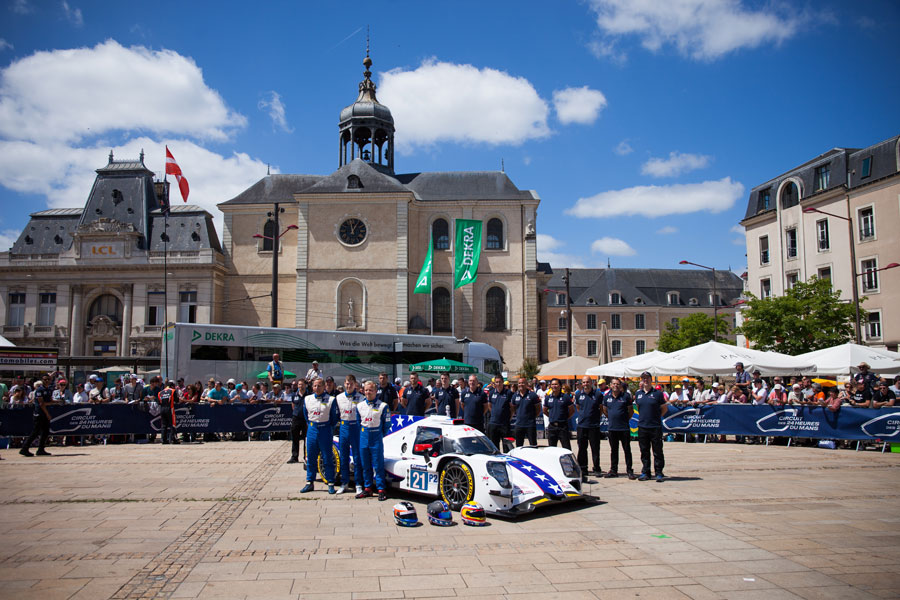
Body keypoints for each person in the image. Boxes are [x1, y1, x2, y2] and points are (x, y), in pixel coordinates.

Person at [300, 377, 338, 494]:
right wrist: (312, 425)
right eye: (315, 386)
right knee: (310, 457)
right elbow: (306, 415)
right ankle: (309, 482)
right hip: (312, 429)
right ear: (312, 387)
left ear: (324, 386)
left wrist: (327, 427)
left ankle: (330, 483)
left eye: (319, 386)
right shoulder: (307, 399)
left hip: (325, 430)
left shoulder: (331, 399)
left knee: (327, 457)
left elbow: (334, 418)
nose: (317, 388)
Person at [356, 380, 391, 501]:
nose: (368, 392)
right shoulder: (359, 406)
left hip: (376, 436)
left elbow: (386, 425)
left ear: (376, 391)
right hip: (364, 436)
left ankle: (381, 489)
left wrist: (379, 434)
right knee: (365, 464)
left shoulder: (383, 406)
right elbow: (357, 422)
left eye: (371, 390)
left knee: (378, 464)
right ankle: (367, 488)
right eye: (366, 390)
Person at [635, 371, 667, 482]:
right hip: (643, 426)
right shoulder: (638, 394)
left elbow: (664, 408)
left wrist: (657, 417)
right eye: (643, 378)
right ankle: (646, 472)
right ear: (641, 380)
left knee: (657, 450)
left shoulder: (657, 394)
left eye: (647, 378)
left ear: (651, 379)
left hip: (655, 426)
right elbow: (639, 407)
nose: (645, 380)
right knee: (644, 451)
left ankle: (659, 472)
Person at [336, 374, 364, 495]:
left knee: (357, 457)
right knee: (343, 456)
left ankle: (358, 483)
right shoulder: (338, 397)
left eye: (351, 383)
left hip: (356, 427)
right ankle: (344, 483)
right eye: (347, 383)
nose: (349, 385)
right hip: (344, 426)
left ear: (355, 385)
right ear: (344, 384)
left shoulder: (361, 398)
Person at [603, 377, 635, 479]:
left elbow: (631, 411)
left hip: (624, 428)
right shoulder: (607, 397)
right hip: (612, 428)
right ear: (610, 385)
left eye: (617, 384)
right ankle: (613, 470)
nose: (615, 386)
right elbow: (605, 410)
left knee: (627, 450)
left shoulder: (625, 396)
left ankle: (629, 470)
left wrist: (624, 420)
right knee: (614, 450)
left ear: (620, 386)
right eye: (614, 384)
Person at [574, 376, 603, 479]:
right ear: (582, 383)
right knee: (582, 448)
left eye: (588, 382)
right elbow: (578, 407)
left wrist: (594, 418)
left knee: (595, 448)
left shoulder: (598, 394)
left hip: (594, 425)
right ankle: (583, 468)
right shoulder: (578, 395)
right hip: (582, 425)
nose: (586, 384)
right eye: (584, 382)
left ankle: (596, 468)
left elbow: (601, 409)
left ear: (592, 383)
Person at [20, 380, 55, 456]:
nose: (46, 381)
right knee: (36, 432)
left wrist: (58, 401)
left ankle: (41, 449)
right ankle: (24, 448)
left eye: (47, 379)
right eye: (45, 379)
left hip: (45, 414)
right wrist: (47, 414)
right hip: (39, 413)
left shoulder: (48, 390)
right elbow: (41, 403)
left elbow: (50, 400)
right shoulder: (39, 390)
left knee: (45, 432)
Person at [543, 378, 574, 449]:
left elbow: (572, 410)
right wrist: (551, 417)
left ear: (560, 386)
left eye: (556, 384)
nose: (554, 386)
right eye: (552, 384)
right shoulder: (548, 398)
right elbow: (544, 410)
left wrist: (565, 418)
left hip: (563, 426)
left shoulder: (565, 397)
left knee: (566, 448)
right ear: (550, 386)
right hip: (552, 427)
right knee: (551, 449)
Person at [486, 375, 514, 448]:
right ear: (494, 383)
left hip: (504, 424)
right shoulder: (491, 392)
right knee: (494, 446)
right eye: (496, 382)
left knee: (507, 447)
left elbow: (512, 408)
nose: (498, 384)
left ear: (503, 382)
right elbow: (489, 405)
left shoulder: (508, 393)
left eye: (499, 382)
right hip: (493, 423)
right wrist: (494, 414)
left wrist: (509, 418)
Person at [512, 377, 541, 446]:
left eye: (523, 383)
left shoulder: (532, 395)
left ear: (526, 384)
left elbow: (538, 409)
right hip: (519, 424)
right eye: (519, 383)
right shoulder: (515, 396)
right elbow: (513, 408)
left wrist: (531, 417)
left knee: (533, 445)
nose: (521, 384)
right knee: (519, 446)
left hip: (530, 425)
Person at [287, 379, 308, 465]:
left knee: (306, 439)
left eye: (302, 384)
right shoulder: (294, 395)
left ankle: (306, 456)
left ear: (305, 385)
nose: (300, 386)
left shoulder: (309, 395)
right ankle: (294, 456)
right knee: (295, 438)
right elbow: (293, 406)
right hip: (296, 418)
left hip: (305, 419)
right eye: (299, 384)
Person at [158, 380, 179, 445]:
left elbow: (159, 402)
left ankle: (163, 440)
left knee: (164, 425)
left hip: (162, 409)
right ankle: (173, 439)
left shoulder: (160, 392)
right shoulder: (173, 391)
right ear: (172, 386)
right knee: (173, 424)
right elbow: (177, 400)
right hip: (170, 409)